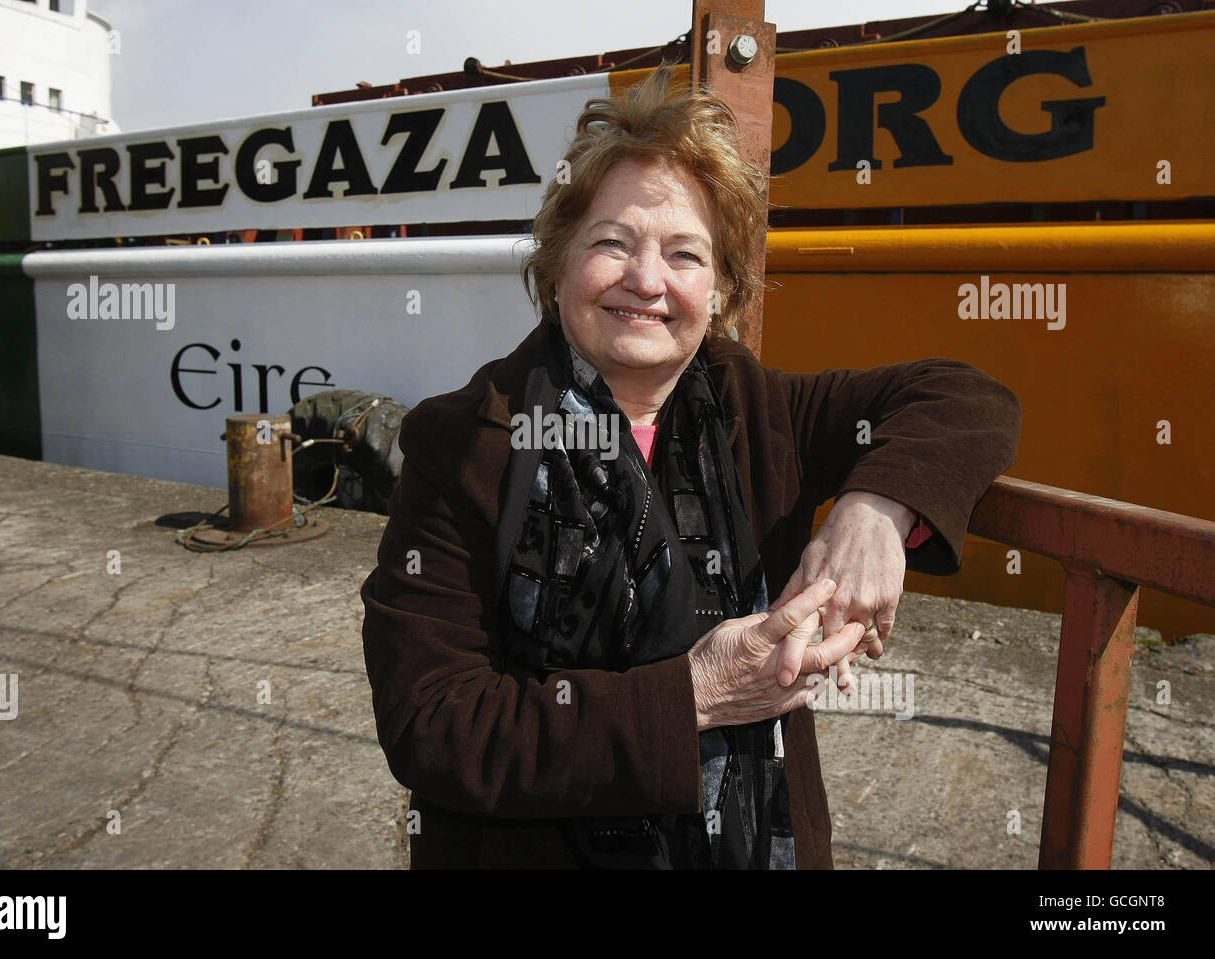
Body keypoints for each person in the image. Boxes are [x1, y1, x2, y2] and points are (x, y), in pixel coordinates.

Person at [359, 65, 1020, 869]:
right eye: (612, 243)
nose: (646, 280)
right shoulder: (464, 440)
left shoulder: (760, 412)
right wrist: (694, 696)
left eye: (684, 254)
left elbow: (967, 397)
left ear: (720, 290)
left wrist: (875, 506)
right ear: (559, 261)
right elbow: (432, 722)